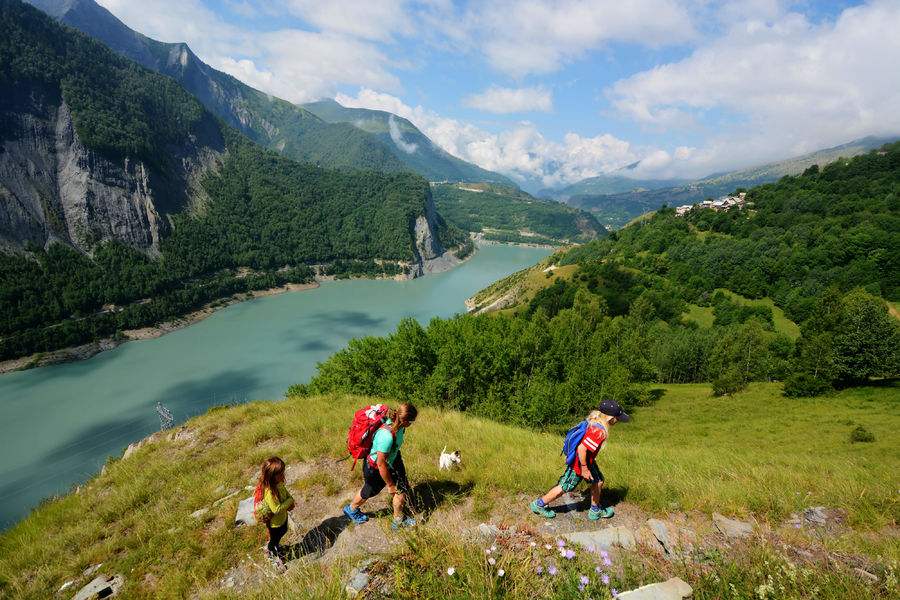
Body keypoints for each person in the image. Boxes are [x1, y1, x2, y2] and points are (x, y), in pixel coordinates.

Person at [530, 399, 630, 520]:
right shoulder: (599, 432)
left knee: (598, 481)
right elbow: (582, 449)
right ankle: (539, 505)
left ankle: (595, 510)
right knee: (565, 487)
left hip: (587, 461)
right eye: (617, 417)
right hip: (580, 464)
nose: (618, 420)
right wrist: (584, 469)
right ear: (610, 417)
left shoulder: (593, 421)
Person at [343, 403, 418, 530]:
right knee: (369, 490)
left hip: (393, 460)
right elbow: (381, 463)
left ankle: (398, 521)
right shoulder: (386, 436)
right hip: (376, 468)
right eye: (411, 421)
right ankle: (351, 509)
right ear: (404, 421)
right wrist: (389, 485)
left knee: (402, 487)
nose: (412, 423)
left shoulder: (400, 426)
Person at [258, 456, 295, 558]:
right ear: (272, 476)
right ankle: (271, 554)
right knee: (275, 538)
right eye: (281, 473)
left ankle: (275, 546)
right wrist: (290, 501)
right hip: (275, 524)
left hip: (282, 518)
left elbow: (284, 491)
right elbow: (276, 509)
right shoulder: (269, 492)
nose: (283, 474)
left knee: (283, 531)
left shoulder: (278, 483)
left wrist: (289, 497)